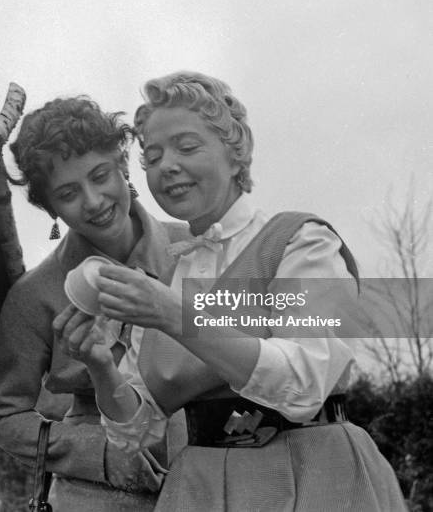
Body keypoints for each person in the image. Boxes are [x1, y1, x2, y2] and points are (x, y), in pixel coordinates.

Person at [55, 73, 407, 511]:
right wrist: (101, 367)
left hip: (317, 475)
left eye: (187, 147)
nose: (167, 166)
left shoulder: (301, 241)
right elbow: (138, 429)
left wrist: (174, 315)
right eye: (153, 155)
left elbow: (305, 381)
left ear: (237, 155)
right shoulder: (165, 277)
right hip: (202, 489)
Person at [0, 97, 188, 512]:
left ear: (122, 165)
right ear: (49, 208)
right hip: (95, 497)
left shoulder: (196, 248)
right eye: (68, 193)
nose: (93, 201)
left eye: (100, 176)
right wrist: (99, 453)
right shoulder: (33, 294)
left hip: (206, 480)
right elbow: (1, 417)